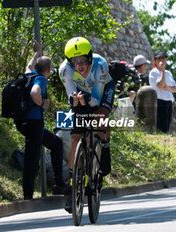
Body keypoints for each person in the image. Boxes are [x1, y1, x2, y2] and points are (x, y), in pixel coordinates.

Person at [59, 37, 115, 213]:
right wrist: (76, 103)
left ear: (90, 57)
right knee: (75, 136)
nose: (79, 66)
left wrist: (86, 102)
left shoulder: (100, 65)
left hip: (102, 90)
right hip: (82, 94)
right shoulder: (65, 70)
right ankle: (73, 184)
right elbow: (71, 100)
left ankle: (104, 147)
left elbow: (96, 99)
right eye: (74, 62)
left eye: (83, 60)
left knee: (99, 115)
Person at [15, 40, 66, 200]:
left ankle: (58, 185)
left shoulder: (29, 74)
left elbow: (29, 66)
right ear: (49, 70)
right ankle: (28, 196)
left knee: (56, 144)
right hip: (34, 122)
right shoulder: (40, 79)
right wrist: (42, 103)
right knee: (32, 157)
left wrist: (37, 51)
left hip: (22, 121)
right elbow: (35, 93)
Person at [148, 50, 176, 133]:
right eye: (159, 59)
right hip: (158, 100)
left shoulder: (169, 73)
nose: (162, 61)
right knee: (159, 126)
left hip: (168, 101)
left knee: (166, 126)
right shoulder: (154, 72)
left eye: (163, 58)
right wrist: (163, 71)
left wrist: (167, 87)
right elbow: (160, 85)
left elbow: (175, 89)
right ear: (155, 61)